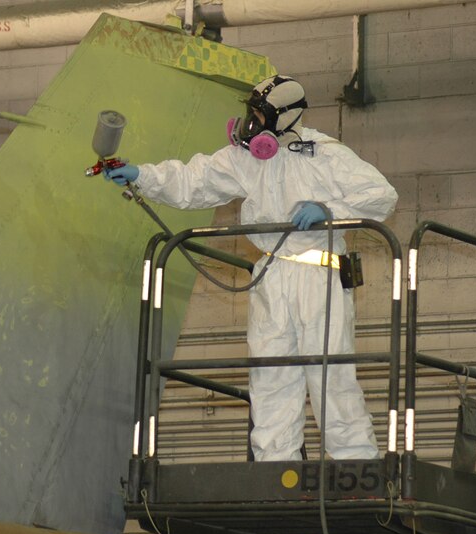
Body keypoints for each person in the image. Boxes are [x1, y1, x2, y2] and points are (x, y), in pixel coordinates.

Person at [105, 75, 398, 462]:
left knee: (329, 374)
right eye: (251, 113)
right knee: (270, 376)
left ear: (285, 119)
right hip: (271, 275)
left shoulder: (326, 154)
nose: (252, 122)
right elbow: (196, 180)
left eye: (260, 114)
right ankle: (275, 466)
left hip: (319, 276)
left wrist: (332, 213)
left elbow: (381, 195)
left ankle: (356, 465)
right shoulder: (247, 158)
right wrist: (144, 175)